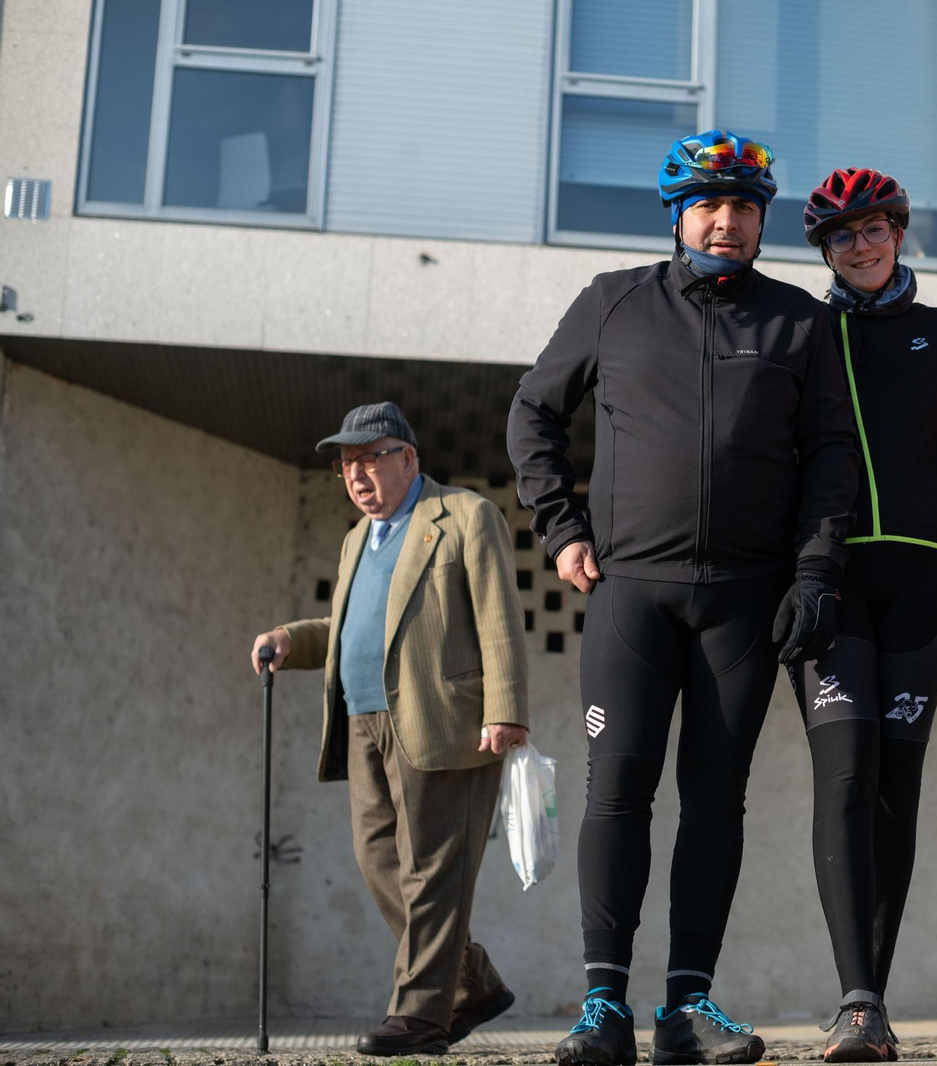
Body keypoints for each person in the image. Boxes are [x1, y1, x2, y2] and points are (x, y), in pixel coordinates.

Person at [506, 129, 858, 1066]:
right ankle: (601, 1011)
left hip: (744, 603)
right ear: (676, 216)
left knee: (715, 803)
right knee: (616, 793)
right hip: (633, 596)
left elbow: (832, 456)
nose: (727, 219)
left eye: (744, 205)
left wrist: (815, 571)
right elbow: (534, 411)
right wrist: (561, 526)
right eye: (708, 203)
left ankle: (687, 1011)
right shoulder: (614, 303)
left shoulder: (800, 321)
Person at [250, 401, 529, 1057]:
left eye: (369, 458)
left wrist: (506, 710)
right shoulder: (358, 539)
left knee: (433, 873)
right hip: (362, 720)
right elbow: (353, 628)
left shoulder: (463, 517)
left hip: (443, 720)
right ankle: (473, 981)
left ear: (408, 458)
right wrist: (293, 638)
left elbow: (498, 615)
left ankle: (420, 1015)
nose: (356, 475)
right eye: (346, 464)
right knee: (379, 862)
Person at [790, 168, 937, 1063]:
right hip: (828, 582)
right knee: (841, 778)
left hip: (922, 581)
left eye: (874, 230)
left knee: (892, 793)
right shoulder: (802, 330)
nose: (860, 247)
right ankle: (856, 1002)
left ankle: (877, 999)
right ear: (825, 251)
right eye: (842, 237)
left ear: (899, 234)